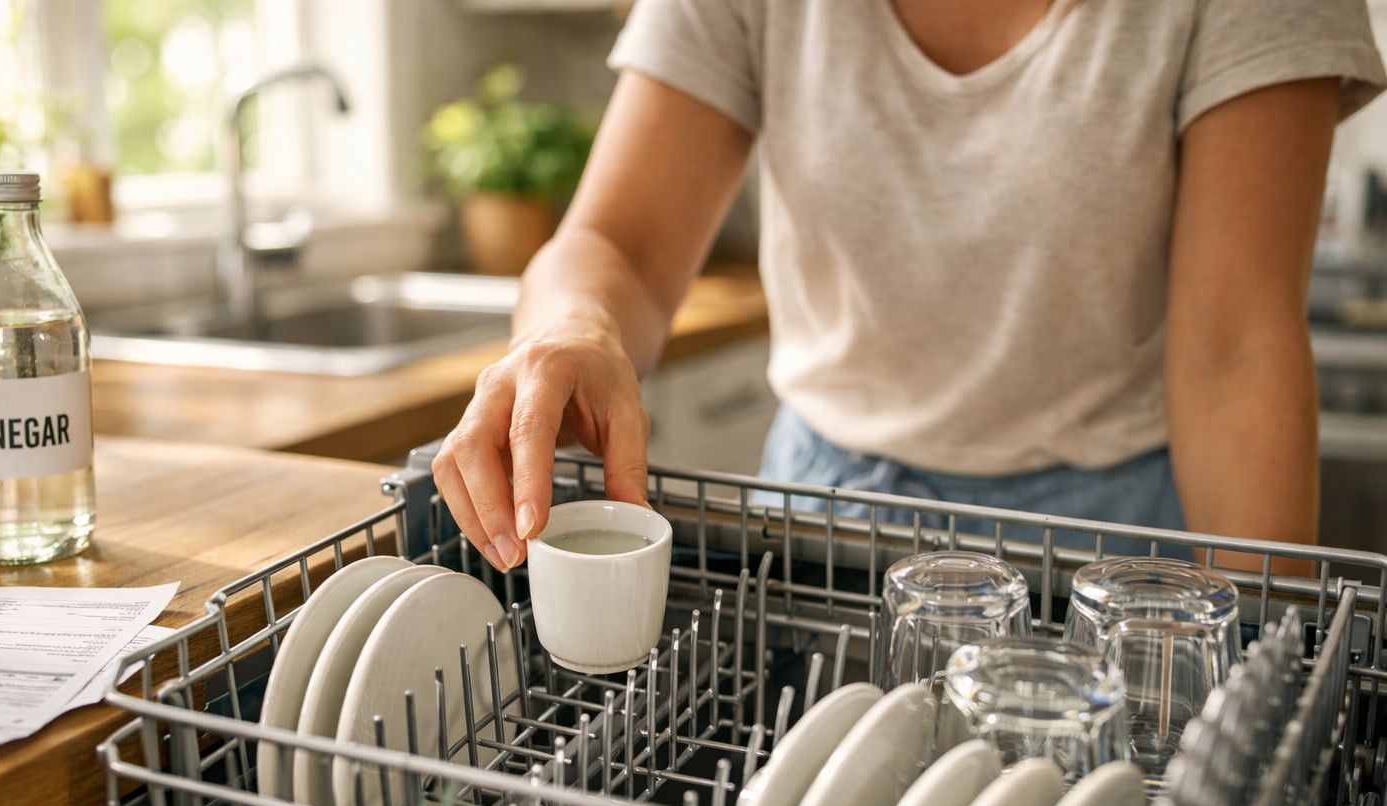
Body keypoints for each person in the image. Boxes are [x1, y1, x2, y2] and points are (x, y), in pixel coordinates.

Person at [432, 0, 1387, 574]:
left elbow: (1234, 350)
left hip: (1121, 549)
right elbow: (619, 247)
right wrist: (576, 329)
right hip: (824, 526)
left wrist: (1272, 666)